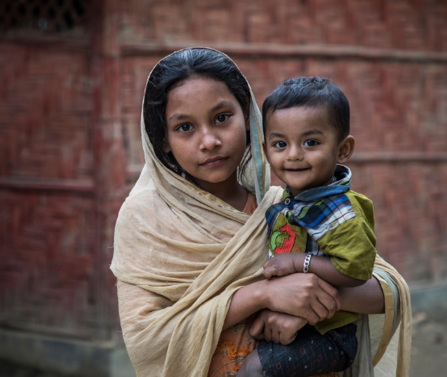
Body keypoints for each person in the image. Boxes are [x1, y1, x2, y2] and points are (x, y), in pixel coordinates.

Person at [111, 48, 411, 377]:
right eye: (185, 127)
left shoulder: (287, 205)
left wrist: (306, 302)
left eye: (222, 118)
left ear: (249, 117)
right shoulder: (146, 220)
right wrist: (262, 294)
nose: (209, 141)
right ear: (163, 140)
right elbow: (146, 338)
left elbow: (387, 291)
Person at [237, 77, 377, 377]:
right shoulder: (290, 201)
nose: (293, 154)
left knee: (252, 370)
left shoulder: (339, 211)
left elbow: (357, 270)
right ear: (265, 149)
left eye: (311, 142)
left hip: (330, 334)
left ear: (342, 150)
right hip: (301, 323)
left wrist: (299, 262)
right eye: (280, 144)